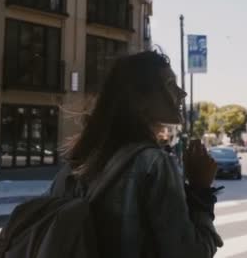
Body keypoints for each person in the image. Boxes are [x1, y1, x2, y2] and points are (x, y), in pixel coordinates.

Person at [57, 51, 223, 258]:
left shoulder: (80, 159)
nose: (182, 93)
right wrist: (200, 190)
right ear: (139, 98)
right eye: (170, 84)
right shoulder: (154, 164)